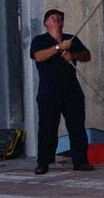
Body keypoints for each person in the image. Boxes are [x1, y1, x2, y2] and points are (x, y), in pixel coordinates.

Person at [29, 9, 94, 175]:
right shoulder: (40, 40)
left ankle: (80, 161)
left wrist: (72, 55)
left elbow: (87, 55)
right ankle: (43, 162)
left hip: (71, 90)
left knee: (77, 126)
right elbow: (39, 56)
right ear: (46, 23)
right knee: (47, 127)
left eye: (59, 18)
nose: (57, 20)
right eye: (53, 18)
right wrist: (59, 47)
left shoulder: (71, 39)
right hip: (49, 91)